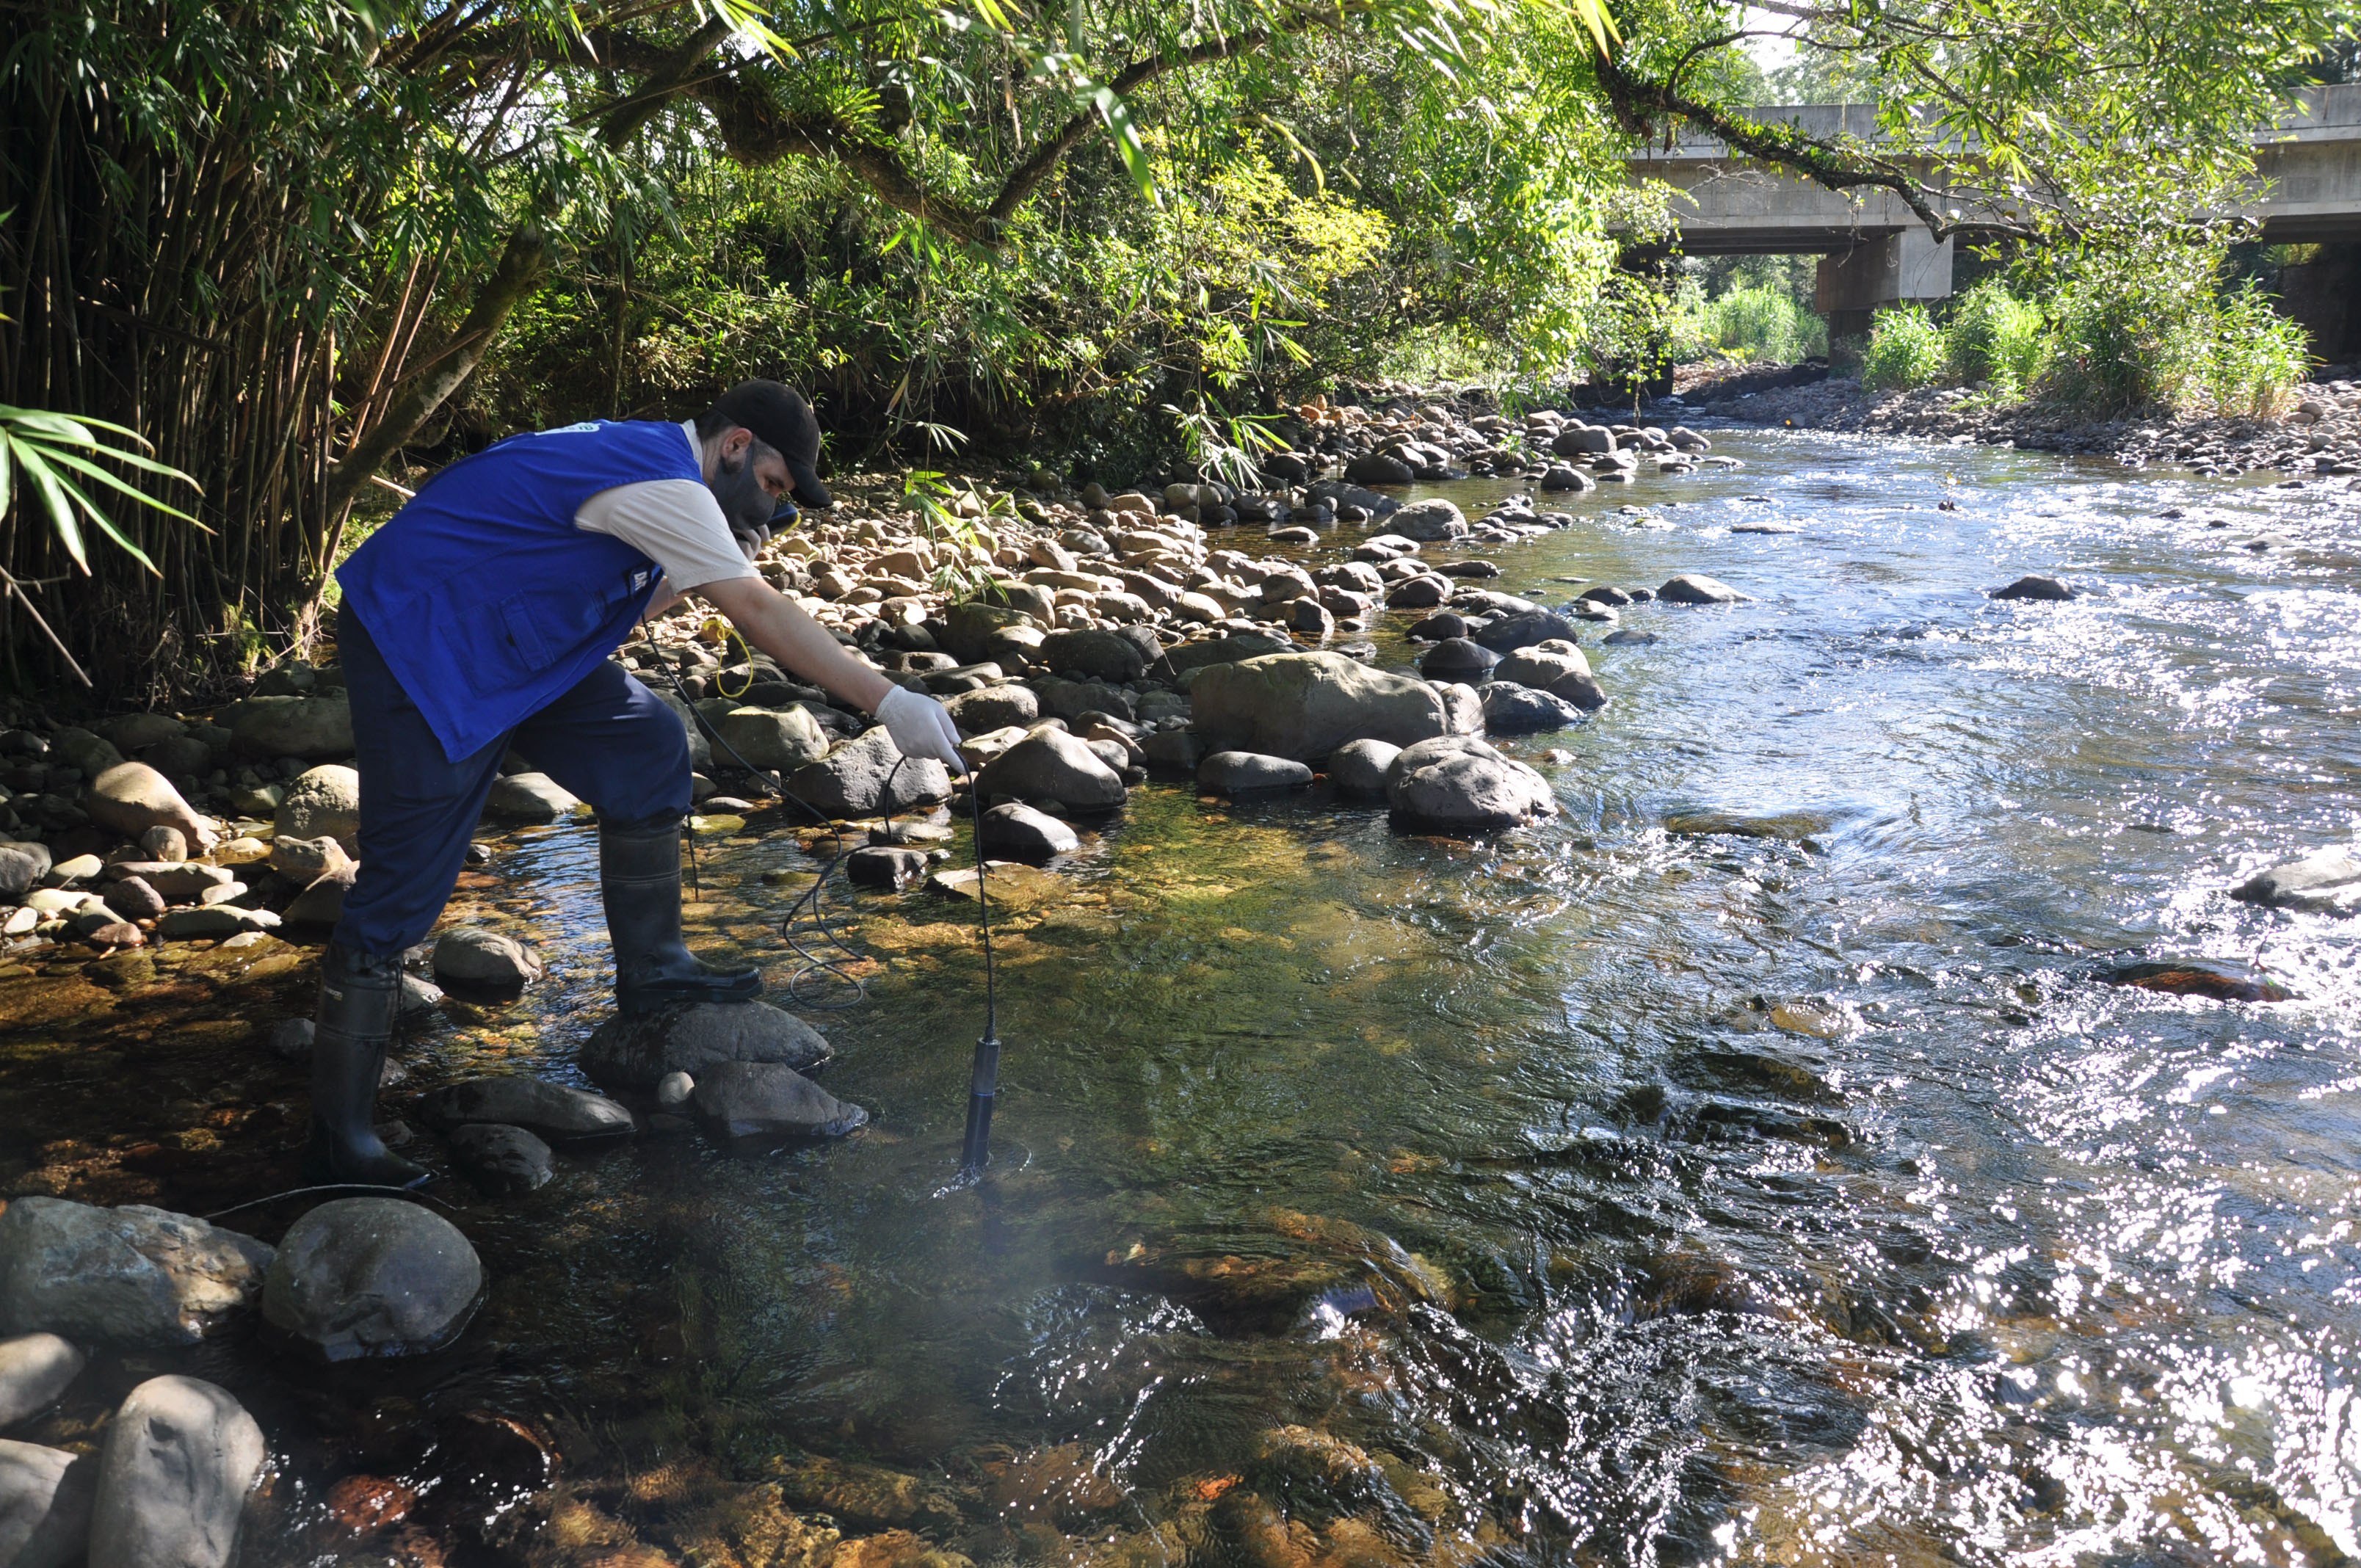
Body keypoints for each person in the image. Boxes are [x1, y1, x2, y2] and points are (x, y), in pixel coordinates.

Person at [311, 380, 967, 1187]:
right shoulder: (660, 475)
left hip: (525, 645)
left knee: (648, 743)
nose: (769, 514)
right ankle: (339, 1140)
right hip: (425, 640)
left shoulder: (666, 480)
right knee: (403, 894)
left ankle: (653, 971)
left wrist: (703, 564)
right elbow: (759, 613)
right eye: (770, 489)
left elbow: (624, 595)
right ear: (733, 445)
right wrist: (887, 698)